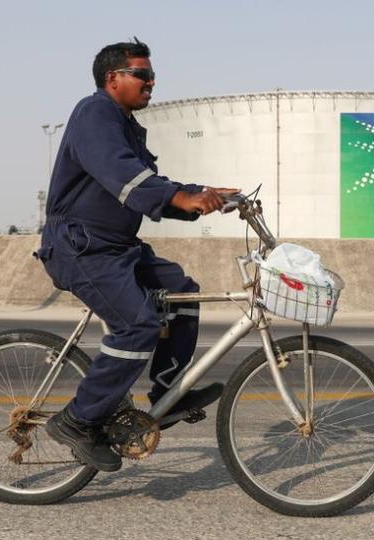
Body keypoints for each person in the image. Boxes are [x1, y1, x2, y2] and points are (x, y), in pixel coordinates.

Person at [35, 38, 236, 472]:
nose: (151, 83)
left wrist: (202, 195)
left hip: (118, 248)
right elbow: (122, 174)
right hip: (81, 247)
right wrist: (182, 197)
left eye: (151, 76)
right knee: (137, 325)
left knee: (180, 291)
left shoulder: (126, 125)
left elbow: (149, 183)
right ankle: (77, 420)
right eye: (142, 75)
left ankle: (168, 392)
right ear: (113, 79)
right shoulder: (94, 113)